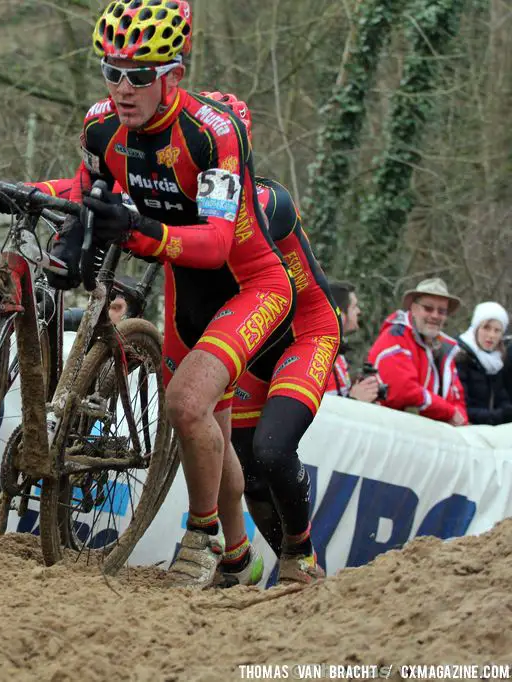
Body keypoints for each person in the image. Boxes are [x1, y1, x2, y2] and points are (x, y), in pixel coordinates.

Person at [54, 0, 298, 589]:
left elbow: (216, 243)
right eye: (111, 70)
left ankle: (203, 533)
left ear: (173, 77)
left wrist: (136, 229)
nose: (122, 87)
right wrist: (72, 240)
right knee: (204, 426)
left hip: (250, 285)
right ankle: (239, 557)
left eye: (139, 75)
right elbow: (89, 190)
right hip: (183, 290)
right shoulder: (99, 125)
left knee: (185, 405)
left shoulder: (213, 133)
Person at [207, 93, 337, 585]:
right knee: (246, 465)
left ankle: (301, 555)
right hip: (252, 342)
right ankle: (274, 560)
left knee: (273, 448)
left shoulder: (266, 197)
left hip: (305, 332)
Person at [367, 278, 468, 425]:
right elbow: (403, 391)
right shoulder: (395, 337)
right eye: (428, 308)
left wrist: (460, 418)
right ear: (413, 309)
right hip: (392, 431)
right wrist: (449, 412)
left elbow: (457, 399)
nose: (435, 315)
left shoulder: (446, 349)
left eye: (441, 311)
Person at [456, 302, 512, 425]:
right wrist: (500, 415)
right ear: (476, 328)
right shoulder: (460, 357)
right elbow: (462, 407)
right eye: (486, 328)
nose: (491, 335)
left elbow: (502, 398)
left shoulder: (497, 361)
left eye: (497, 330)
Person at [325, 281, 382, 402]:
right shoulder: (319, 356)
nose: (359, 311)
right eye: (354, 306)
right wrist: (355, 400)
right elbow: (320, 413)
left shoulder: (336, 350)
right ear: (340, 314)